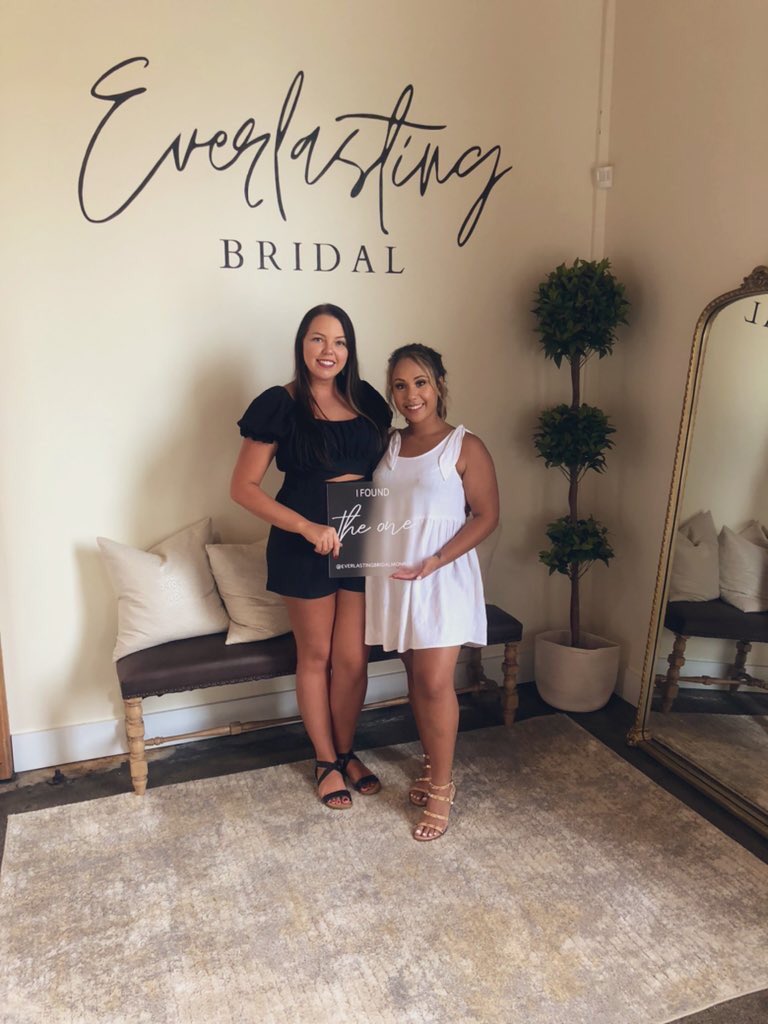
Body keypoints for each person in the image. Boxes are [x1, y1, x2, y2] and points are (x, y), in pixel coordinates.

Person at [230, 304, 391, 809]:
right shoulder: (279, 404)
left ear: (350, 349)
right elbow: (243, 487)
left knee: (353, 659)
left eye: (339, 341)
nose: (329, 351)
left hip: (359, 535)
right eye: (318, 339)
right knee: (316, 657)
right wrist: (305, 527)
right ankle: (325, 761)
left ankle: (346, 751)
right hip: (305, 542)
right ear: (302, 345)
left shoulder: (366, 399)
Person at [365, 344, 499, 841]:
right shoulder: (388, 445)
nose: (410, 395)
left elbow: (486, 516)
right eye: (400, 386)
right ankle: (430, 762)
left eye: (420, 382)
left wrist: (436, 561)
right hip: (395, 580)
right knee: (417, 680)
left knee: (435, 682)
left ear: (439, 384)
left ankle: (442, 787)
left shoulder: (466, 446)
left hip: (441, 578)